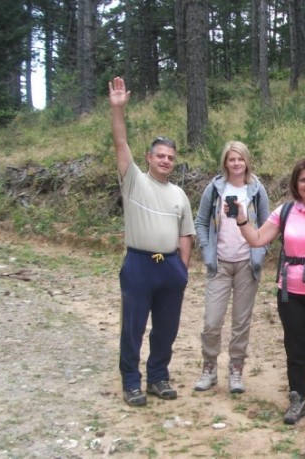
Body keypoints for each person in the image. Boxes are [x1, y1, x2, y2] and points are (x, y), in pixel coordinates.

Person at [232, 158, 305, 426]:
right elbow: (257, 239)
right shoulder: (284, 212)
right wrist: (242, 220)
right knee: (294, 346)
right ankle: (297, 397)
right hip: (289, 292)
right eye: (304, 179)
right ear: (296, 182)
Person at [108, 77, 195, 407]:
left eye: (171, 157)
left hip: (170, 266)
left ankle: (158, 376)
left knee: (166, 329)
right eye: (160, 156)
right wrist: (118, 110)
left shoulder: (179, 194)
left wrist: (181, 269)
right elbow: (119, 144)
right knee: (133, 326)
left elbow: (186, 234)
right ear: (148, 157)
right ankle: (131, 381)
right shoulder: (133, 182)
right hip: (139, 264)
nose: (165, 161)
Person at [193, 141, 271, 394]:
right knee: (212, 321)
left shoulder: (257, 190)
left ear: (247, 161)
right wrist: (206, 252)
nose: (236, 163)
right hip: (220, 265)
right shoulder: (215, 189)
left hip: (247, 265)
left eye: (240, 159)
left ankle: (236, 370)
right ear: (225, 162)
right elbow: (201, 222)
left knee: (241, 322)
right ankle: (209, 367)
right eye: (231, 159)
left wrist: (260, 253)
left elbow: (268, 226)